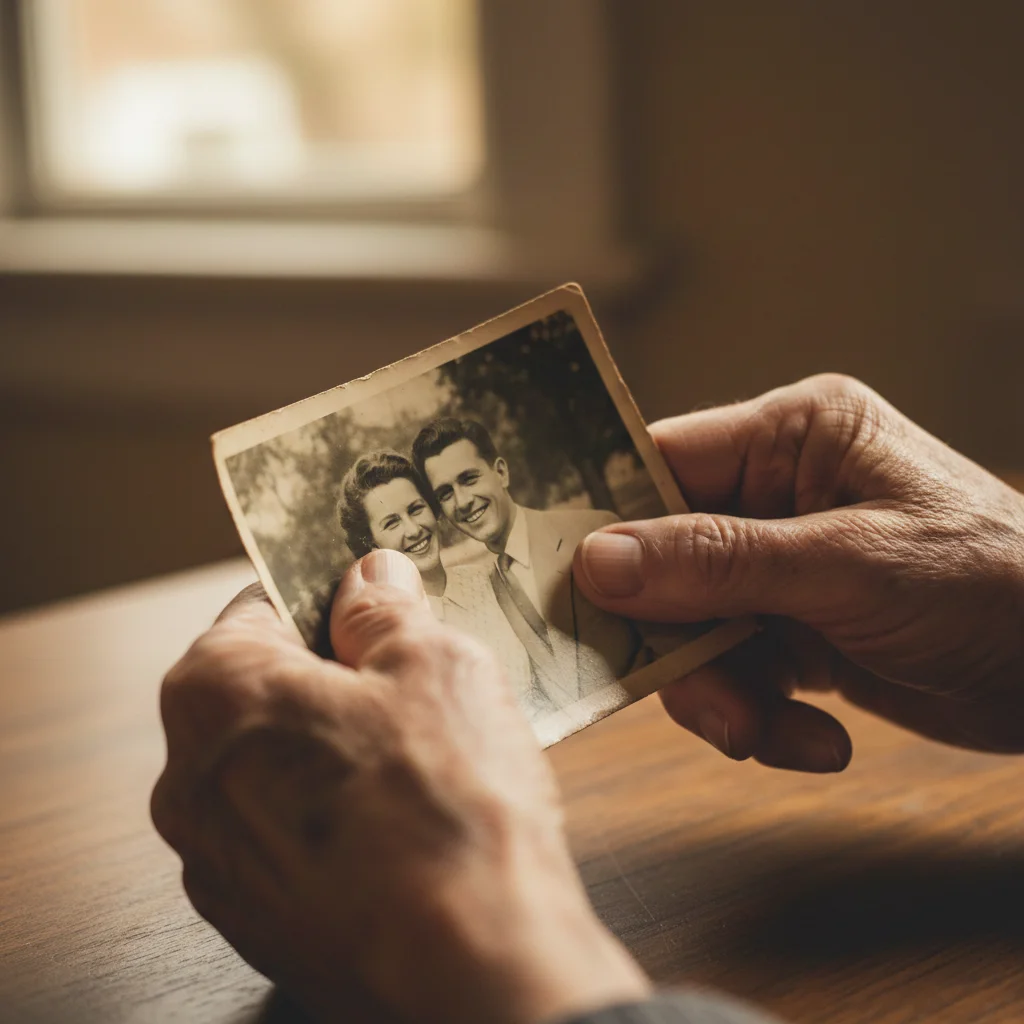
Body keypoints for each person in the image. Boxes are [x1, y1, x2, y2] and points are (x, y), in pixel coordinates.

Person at [152, 374, 1024, 1023]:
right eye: (413, 511)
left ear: (495, 473)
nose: (438, 515)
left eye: (450, 491)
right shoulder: (445, 613)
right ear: (369, 541)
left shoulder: (592, 538)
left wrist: (456, 913)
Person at [411, 418, 645, 709]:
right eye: (445, 493)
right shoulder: (490, 588)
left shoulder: (592, 530)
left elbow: (670, 648)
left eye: (469, 479)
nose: (462, 501)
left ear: (501, 472)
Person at [337, 449, 536, 711]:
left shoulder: (490, 578)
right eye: (392, 523)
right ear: (372, 544)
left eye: (416, 509)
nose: (414, 529)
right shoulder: (392, 635)